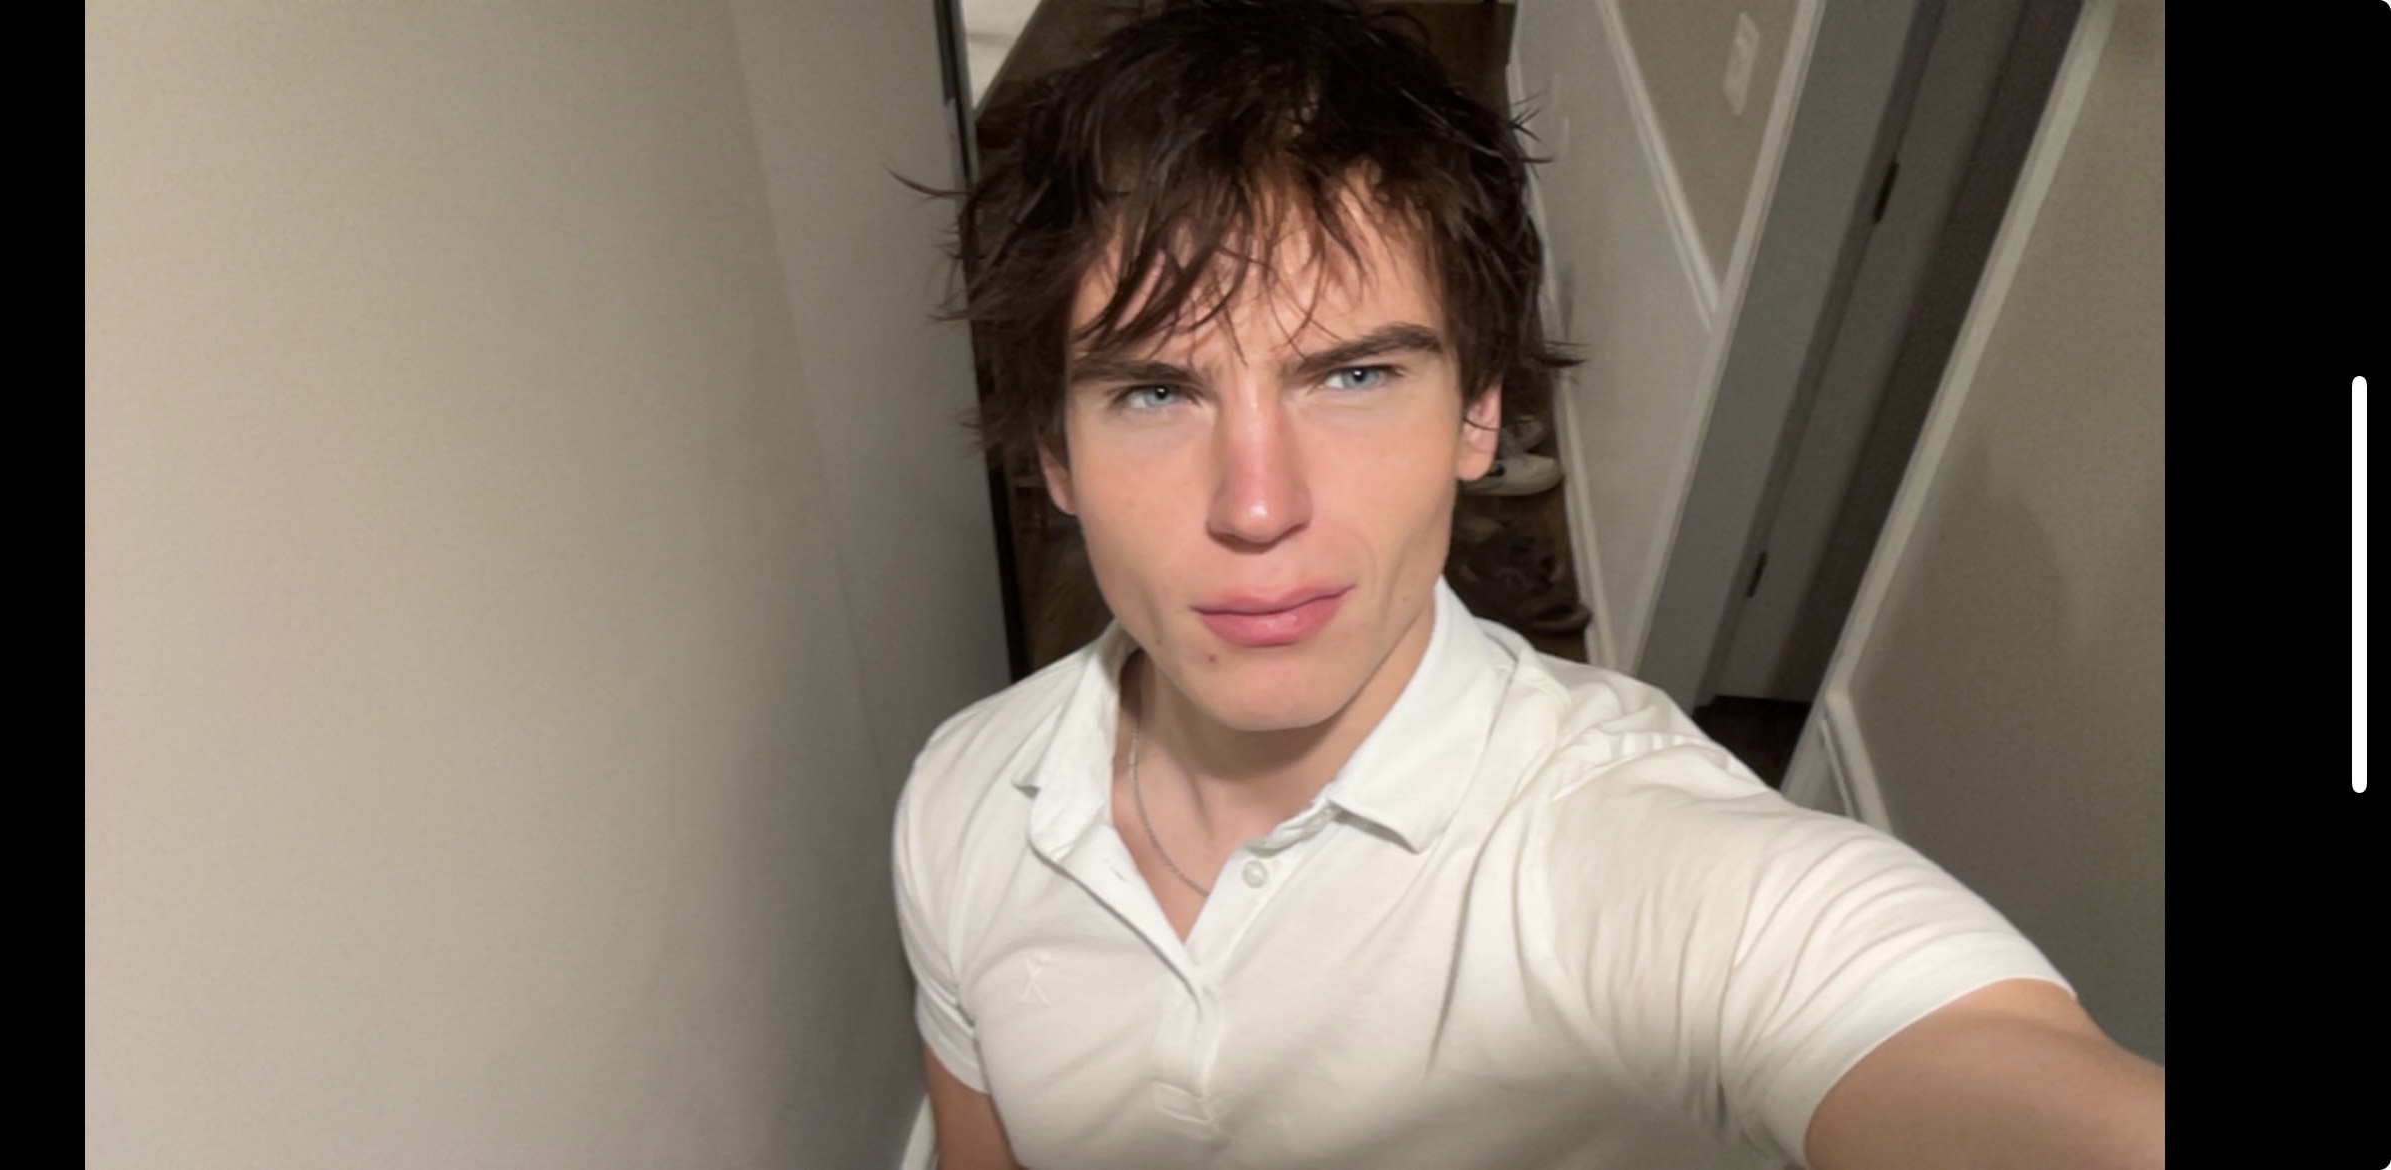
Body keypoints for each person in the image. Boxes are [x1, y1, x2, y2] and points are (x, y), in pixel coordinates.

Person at [893, 2, 2165, 1167]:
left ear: (1480, 413)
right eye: (1156, 392)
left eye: (1355, 377)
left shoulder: (1636, 857)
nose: (1258, 506)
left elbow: (1909, 1023)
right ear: (1055, 451)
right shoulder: (964, 797)